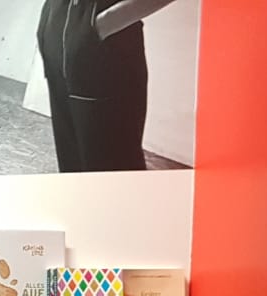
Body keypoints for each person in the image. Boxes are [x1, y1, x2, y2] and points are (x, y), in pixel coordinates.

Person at [37, 0, 182, 173]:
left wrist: (103, 23)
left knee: (113, 166)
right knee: (71, 163)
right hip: (55, 24)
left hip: (102, 39)